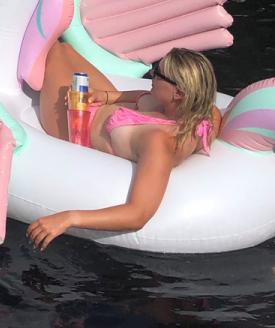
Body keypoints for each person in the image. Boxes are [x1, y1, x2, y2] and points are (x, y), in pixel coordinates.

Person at [26, 44, 222, 250]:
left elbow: (138, 214)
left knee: (53, 52)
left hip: (75, 124)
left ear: (179, 93)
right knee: (65, 49)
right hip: (100, 104)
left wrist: (69, 218)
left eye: (158, 75)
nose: (152, 77)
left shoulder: (159, 142)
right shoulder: (205, 115)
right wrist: (108, 96)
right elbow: (142, 96)